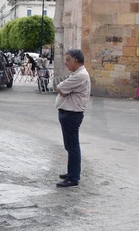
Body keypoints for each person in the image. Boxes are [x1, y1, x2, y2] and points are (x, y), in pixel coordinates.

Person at [55, 48, 91, 188]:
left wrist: (62, 90)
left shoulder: (79, 75)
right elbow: (63, 90)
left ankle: (73, 177)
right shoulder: (77, 73)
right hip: (69, 113)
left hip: (71, 114)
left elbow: (60, 88)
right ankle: (72, 172)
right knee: (70, 146)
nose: (66, 63)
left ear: (76, 60)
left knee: (72, 146)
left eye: (68, 59)